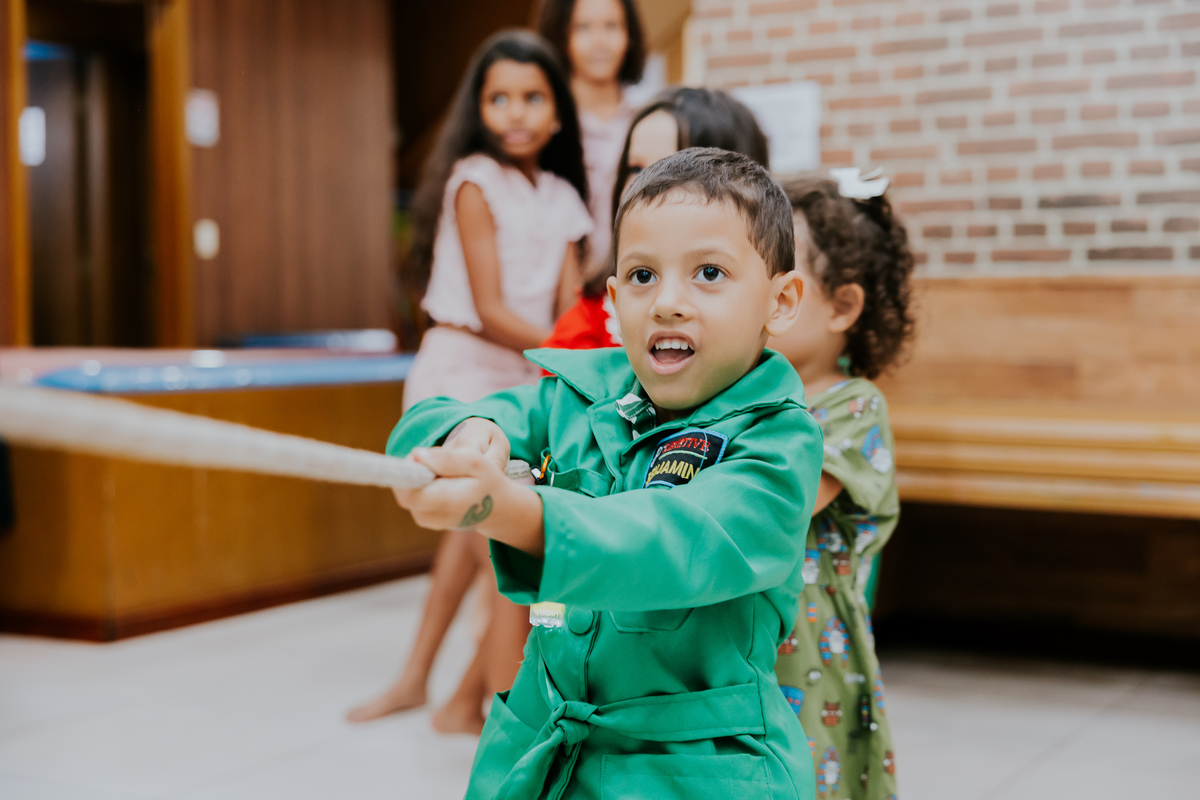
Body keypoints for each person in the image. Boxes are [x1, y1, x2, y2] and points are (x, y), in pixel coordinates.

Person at [388, 148, 823, 800]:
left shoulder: (779, 440)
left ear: (780, 300)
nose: (668, 302)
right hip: (541, 749)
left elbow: (675, 539)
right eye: (643, 276)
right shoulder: (576, 395)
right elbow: (440, 415)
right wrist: (468, 435)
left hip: (697, 772)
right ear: (614, 301)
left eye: (708, 273)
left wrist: (513, 511)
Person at [347, 30, 592, 732]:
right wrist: (568, 353)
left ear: (556, 114)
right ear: (479, 109)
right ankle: (468, 698)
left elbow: (568, 308)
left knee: (482, 538)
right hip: (462, 370)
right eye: (499, 98)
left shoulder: (564, 198)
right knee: (482, 533)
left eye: (533, 98)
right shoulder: (473, 181)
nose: (516, 112)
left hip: (521, 378)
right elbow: (488, 308)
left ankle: (452, 695)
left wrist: (572, 353)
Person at [769, 170, 916, 800]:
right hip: (749, 644)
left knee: (806, 779)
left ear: (842, 306)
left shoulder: (852, 406)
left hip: (810, 658)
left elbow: (785, 498)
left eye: (784, 278)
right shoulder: (750, 396)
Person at [542, 86, 770, 351]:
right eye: (636, 169)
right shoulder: (589, 323)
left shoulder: (775, 317)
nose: (644, 187)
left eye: (669, 168)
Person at [538, 0, 646, 281]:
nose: (599, 42)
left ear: (629, 35)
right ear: (561, 37)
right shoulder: (542, 122)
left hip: (628, 281)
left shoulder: (647, 120)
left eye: (611, 26)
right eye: (583, 28)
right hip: (552, 288)